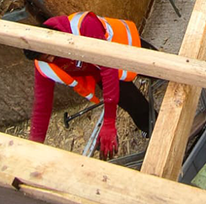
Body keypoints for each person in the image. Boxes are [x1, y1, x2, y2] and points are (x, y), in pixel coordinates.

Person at [25, 11, 154, 159]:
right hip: (101, 71)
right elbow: (42, 106)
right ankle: (152, 129)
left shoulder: (83, 25)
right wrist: (34, 146)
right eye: (47, 59)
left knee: (160, 69)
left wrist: (109, 121)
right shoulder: (44, 65)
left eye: (50, 53)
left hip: (126, 47)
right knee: (134, 105)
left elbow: (108, 67)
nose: (52, 58)